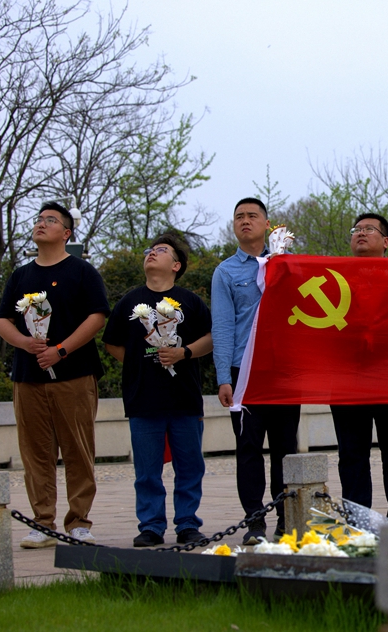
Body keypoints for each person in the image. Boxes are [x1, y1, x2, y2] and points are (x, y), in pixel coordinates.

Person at [0, 201, 109, 548]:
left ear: (66, 232)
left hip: (73, 375)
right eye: (39, 219)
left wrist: (60, 350)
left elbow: (97, 317)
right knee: (35, 453)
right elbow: (3, 321)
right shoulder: (21, 276)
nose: (41, 224)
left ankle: (79, 522)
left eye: (50, 220)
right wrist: (25, 344)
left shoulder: (82, 272)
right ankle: (42, 522)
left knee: (77, 449)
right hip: (28, 377)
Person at [103, 234, 213, 547]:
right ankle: (151, 526)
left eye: (161, 250)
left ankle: (188, 524)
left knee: (189, 466)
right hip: (143, 399)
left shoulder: (190, 301)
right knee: (147, 471)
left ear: (176, 265)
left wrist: (184, 353)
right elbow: (112, 342)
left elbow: (211, 337)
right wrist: (140, 362)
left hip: (184, 398)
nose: (152, 253)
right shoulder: (130, 301)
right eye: (150, 250)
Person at [212, 198, 301, 544]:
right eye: (239, 217)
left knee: (285, 447)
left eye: (252, 216)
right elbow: (222, 327)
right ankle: (254, 523)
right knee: (248, 447)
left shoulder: (289, 265)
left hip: (284, 371)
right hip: (243, 371)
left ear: (268, 224)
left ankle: (287, 520)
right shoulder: (226, 272)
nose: (245, 221)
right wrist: (223, 376)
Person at [329, 213, 388, 520]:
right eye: (356, 230)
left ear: (386, 241)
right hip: (347, 378)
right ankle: (358, 520)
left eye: (369, 229)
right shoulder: (334, 277)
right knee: (351, 454)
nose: (361, 234)